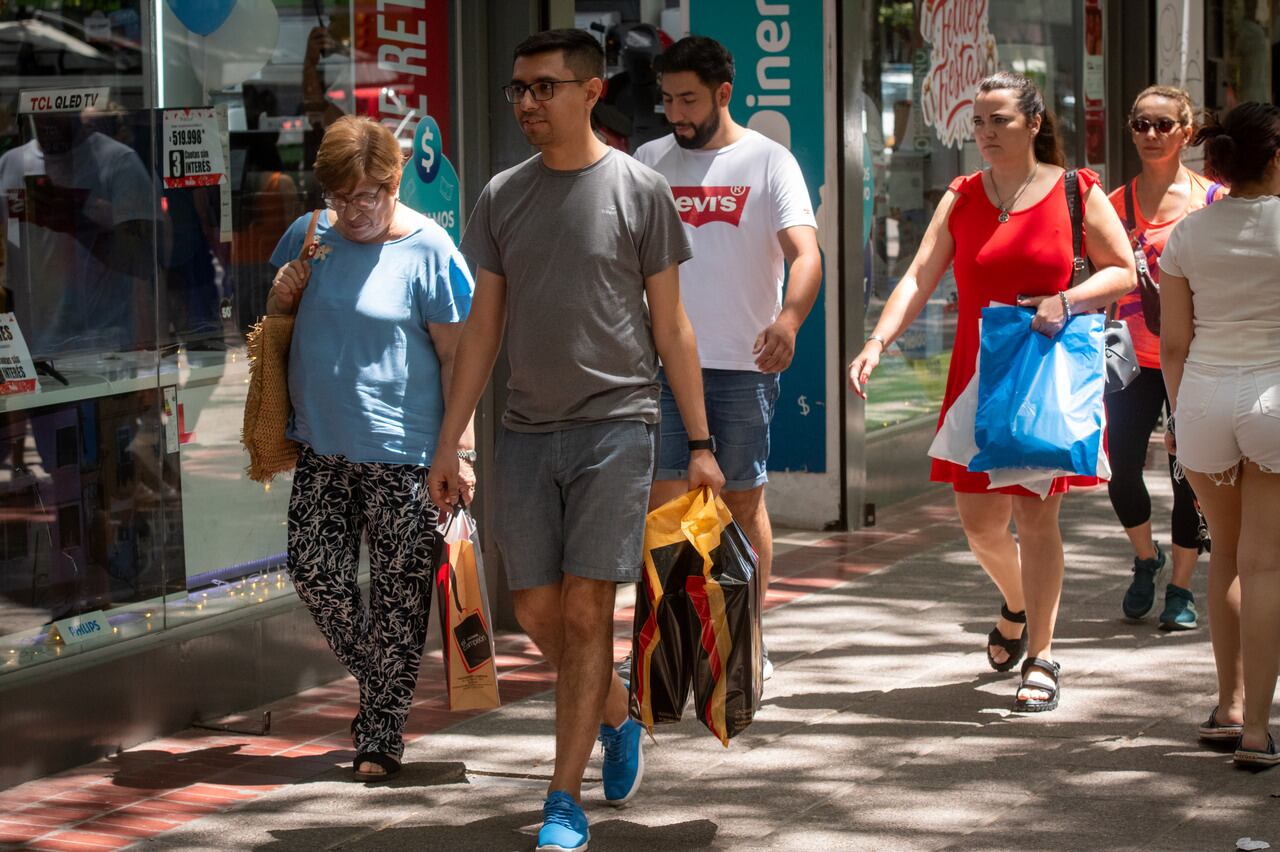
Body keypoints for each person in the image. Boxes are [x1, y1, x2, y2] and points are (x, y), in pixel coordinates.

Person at [426, 28, 723, 852]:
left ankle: (564, 798)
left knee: (591, 610)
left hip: (617, 425)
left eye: (543, 87)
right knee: (535, 610)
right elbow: (484, 327)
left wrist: (699, 440)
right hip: (523, 430)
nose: (526, 102)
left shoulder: (640, 191)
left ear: (591, 92)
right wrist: (450, 441)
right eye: (517, 89)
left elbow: (673, 325)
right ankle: (617, 708)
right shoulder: (500, 196)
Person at [847, 71, 1134, 713]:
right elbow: (921, 273)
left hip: (1041, 371)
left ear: (1033, 123)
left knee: (1036, 520)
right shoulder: (964, 194)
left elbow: (1123, 268)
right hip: (977, 376)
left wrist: (1067, 298)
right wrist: (877, 341)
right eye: (978, 121)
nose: (985, 133)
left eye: (999, 120)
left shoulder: (1074, 189)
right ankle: (1017, 604)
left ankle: (1042, 655)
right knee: (979, 528)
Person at [267, 115, 475, 782]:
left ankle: (381, 732)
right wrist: (279, 298)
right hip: (323, 446)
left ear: (391, 183)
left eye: (365, 197)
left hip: (406, 455)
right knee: (315, 572)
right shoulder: (309, 237)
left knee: (397, 597)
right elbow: (277, 324)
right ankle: (385, 678)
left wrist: (458, 451)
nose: (350, 212)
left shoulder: (431, 249)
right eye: (337, 197)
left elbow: (457, 360)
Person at [634, 35, 822, 681]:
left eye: (688, 99)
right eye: (667, 100)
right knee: (665, 508)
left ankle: (747, 639)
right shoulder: (650, 160)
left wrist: (789, 319)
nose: (676, 113)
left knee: (740, 504)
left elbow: (806, 254)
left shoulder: (770, 163)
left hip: (743, 364)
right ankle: (664, 648)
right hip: (661, 362)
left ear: (723, 93)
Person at [1158, 101, 1280, 766]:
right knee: (1268, 566)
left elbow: (1174, 344)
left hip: (1202, 400)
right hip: (1275, 400)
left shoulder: (1189, 234)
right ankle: (1259, 731)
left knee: (1226, 555)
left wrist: (1179, 419)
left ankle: (1227, 707)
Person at [1106, 86, 1215, 630]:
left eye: (1163, 125)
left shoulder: (1210, 200)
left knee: (1187, 477)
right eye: (1141, 124)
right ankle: (1146, 559)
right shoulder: (1112, 203)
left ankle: (1180, 588)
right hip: (1130, 359)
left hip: (1194, 359)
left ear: (1186, 134)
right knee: (1121, 469)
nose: (1150, 135)